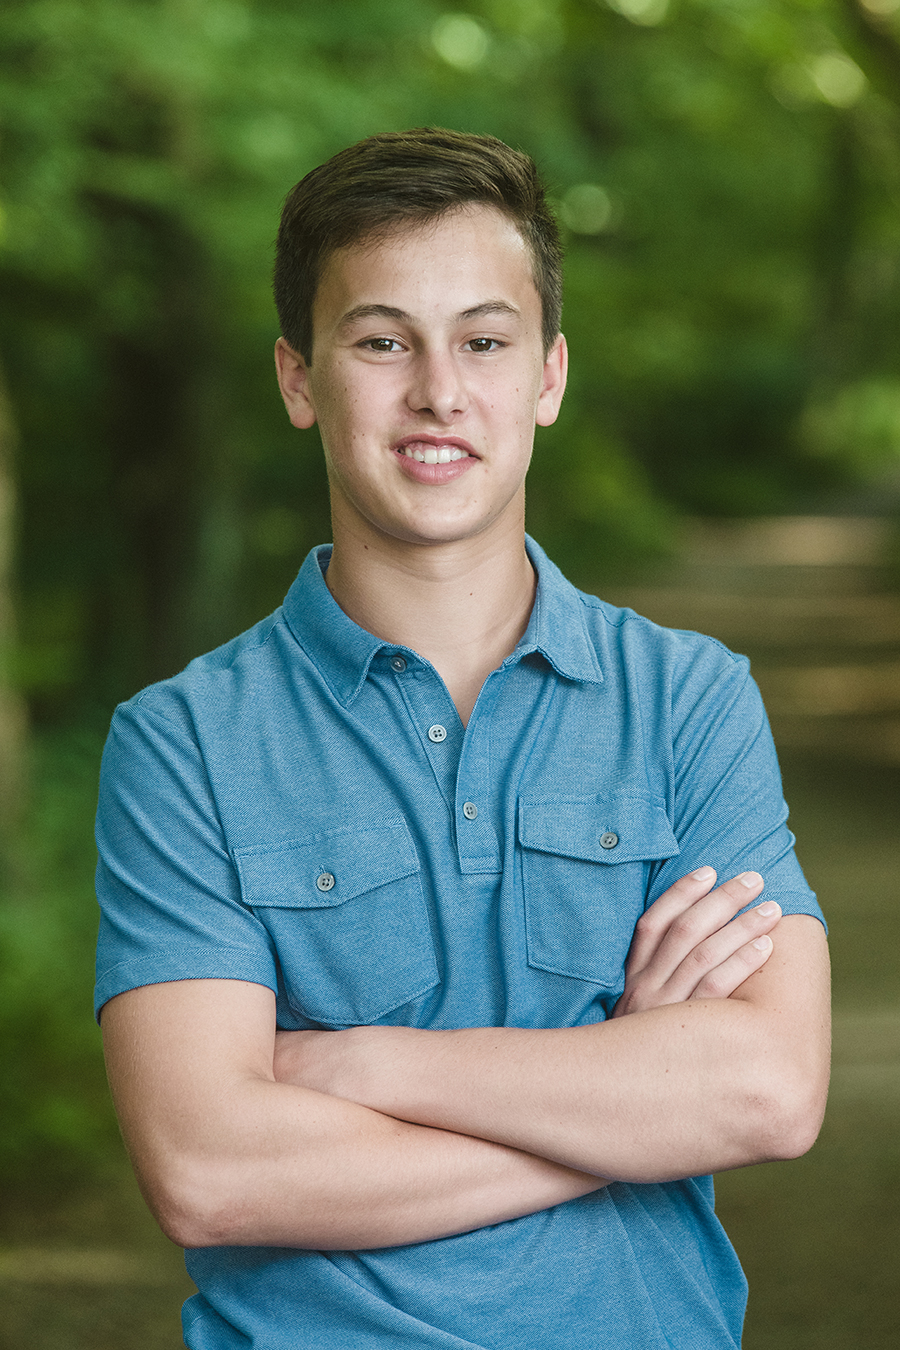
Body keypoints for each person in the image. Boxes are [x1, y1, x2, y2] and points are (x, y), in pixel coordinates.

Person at [94, 128, 830, 1350]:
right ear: (298, 379)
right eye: (383, 341)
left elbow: (769, 1090)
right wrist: (621, 1094)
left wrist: (364, 1066)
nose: (439, 391)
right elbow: (211, 1172)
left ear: (548, 375)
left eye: (484, 341)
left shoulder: (689, 699)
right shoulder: (183, 743)